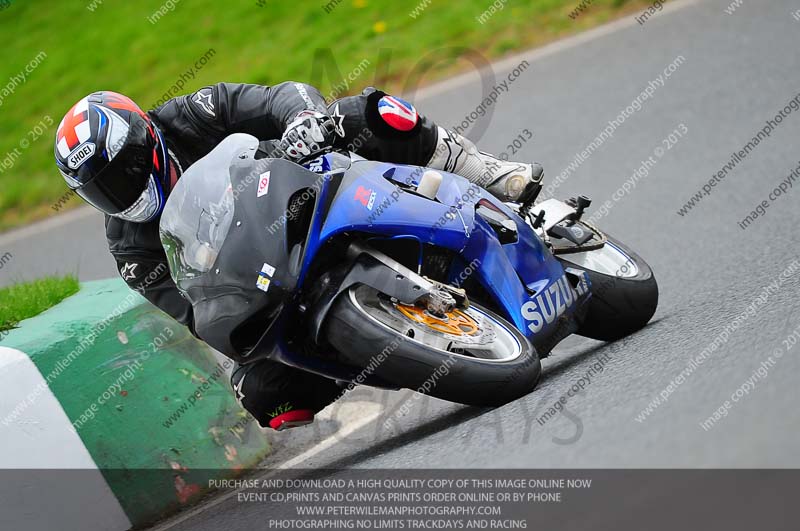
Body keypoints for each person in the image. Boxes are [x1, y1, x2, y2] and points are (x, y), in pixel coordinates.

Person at [53, 82, 543, 431]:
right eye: (101, 191)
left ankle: (488, 173)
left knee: (366, 112)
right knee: (264, 393)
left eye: (124, 173)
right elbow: (197, 316)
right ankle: (387, 347)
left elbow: (280, 96)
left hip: (302, 189)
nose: (122, 193)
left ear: (147, 142)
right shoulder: (130, 249)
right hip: (267, 278)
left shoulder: (192, 113)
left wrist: (303, 122)